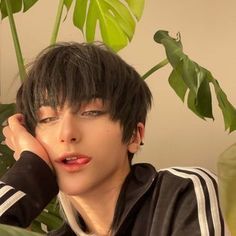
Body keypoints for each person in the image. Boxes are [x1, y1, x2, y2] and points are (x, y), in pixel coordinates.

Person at [0, 42, 229, 236]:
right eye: (48, 118)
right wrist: (30, 171)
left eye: (91, 112)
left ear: (134, 135)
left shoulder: (182, 193)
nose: (67, 133)